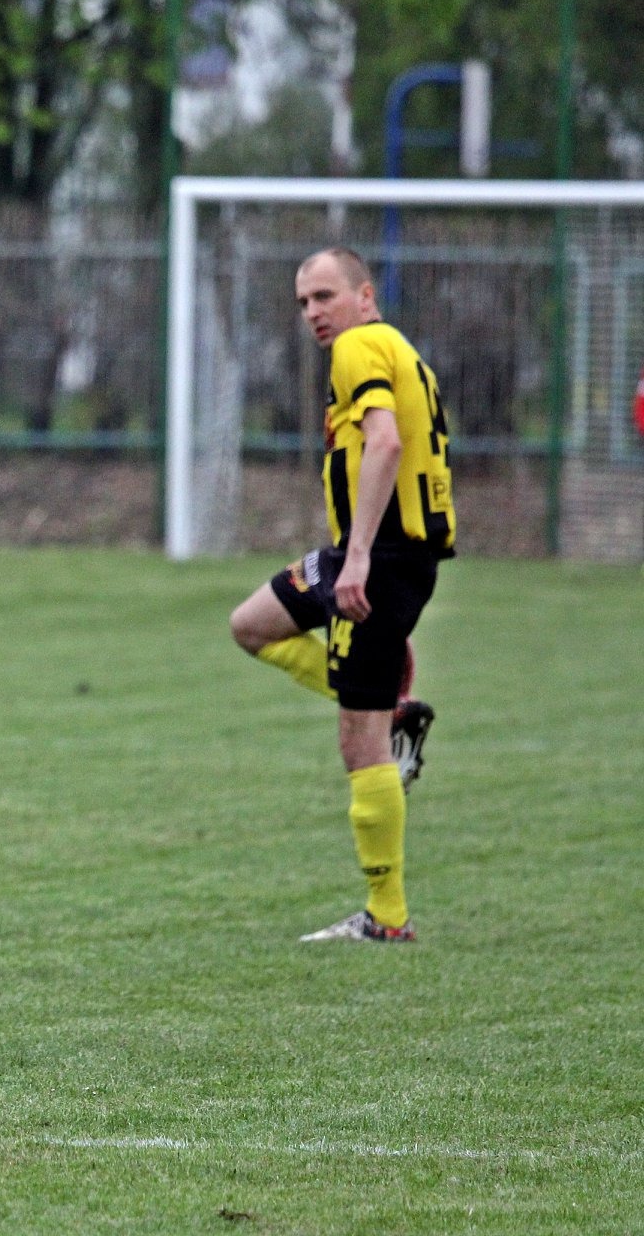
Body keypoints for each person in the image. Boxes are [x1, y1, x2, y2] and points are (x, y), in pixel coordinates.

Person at [228, 246, 454, 943]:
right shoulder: (393, 349)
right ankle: (393, 703)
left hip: (380, 559)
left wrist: (356, 558)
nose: (313, 313)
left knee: (361, 745)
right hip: (368, 554)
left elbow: (384, 445)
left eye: (325, 296)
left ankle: (387, 918)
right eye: (303, 302)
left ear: (365, 295)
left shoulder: (360, 346)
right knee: (252, 624)